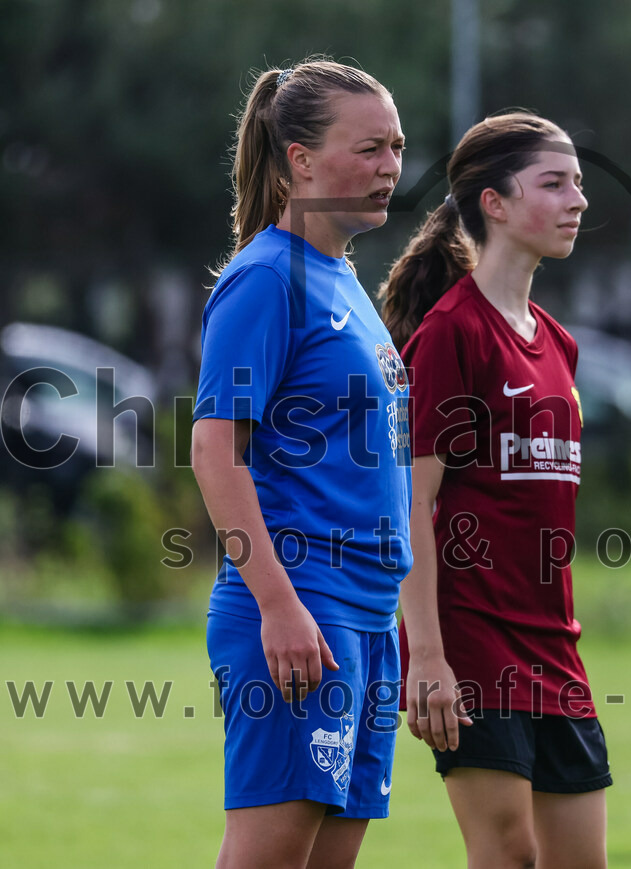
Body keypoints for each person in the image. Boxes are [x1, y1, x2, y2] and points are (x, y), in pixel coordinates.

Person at [191, 59, 411, 869]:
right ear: (300, 158)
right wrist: (279, 605)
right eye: (369, 147)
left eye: (396, 147)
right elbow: (216, 450)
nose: (390, 166)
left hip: (367, 614)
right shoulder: (266, 279)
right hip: (302, 606)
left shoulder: (346, 280)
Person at [379, 111, 609, 869]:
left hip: (554, 644)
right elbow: (412, 502)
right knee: (509, 855)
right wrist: (429, 657)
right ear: (495, 203)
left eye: (579, 183)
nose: (578, 200)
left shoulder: (558, 340)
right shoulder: (452, 334)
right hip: (472, 642)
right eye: (555, 183)